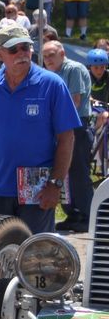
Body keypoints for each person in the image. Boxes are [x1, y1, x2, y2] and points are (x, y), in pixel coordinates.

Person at [0, 26, 80, 234]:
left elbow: (67, 138)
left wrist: (56, 184)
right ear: (0, 54)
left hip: (38, 191)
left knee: (33, 257)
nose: (22, 53)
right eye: (14, 49)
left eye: (26, 47)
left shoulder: (53, 84)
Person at [41, 41, 93, 232]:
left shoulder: (73, 69)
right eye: (45, 56)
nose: (48, 59)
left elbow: (75, 102)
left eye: (52, 55)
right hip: (61, 128)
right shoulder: (52, 74)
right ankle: (73, 213)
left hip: (77, 128)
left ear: (62, 53)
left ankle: (88, 215)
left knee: (79, 175)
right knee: (64, 174)